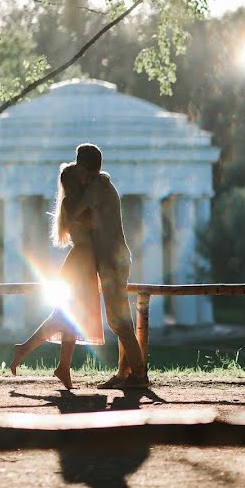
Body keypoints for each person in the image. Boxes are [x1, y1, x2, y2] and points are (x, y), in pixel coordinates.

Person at [9, 163, 104, 389]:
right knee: (67, 317)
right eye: (81, 177)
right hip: (79, 263)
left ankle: (56, 365)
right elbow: (93, 223)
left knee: (67, 318)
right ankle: (47, 360)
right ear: (74, 181)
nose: (85, 180)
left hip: (84, 263)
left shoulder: (76, 201)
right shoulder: (71, 202)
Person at [71, 143, 149, 389]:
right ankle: (124, 373)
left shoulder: (97, 187)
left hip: (112, 261)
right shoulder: (101, 185)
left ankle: (139, 374)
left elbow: (74, 212)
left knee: (119, 321)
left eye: (78, 167)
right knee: (119, 319)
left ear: (83, 166)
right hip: (113, 260)